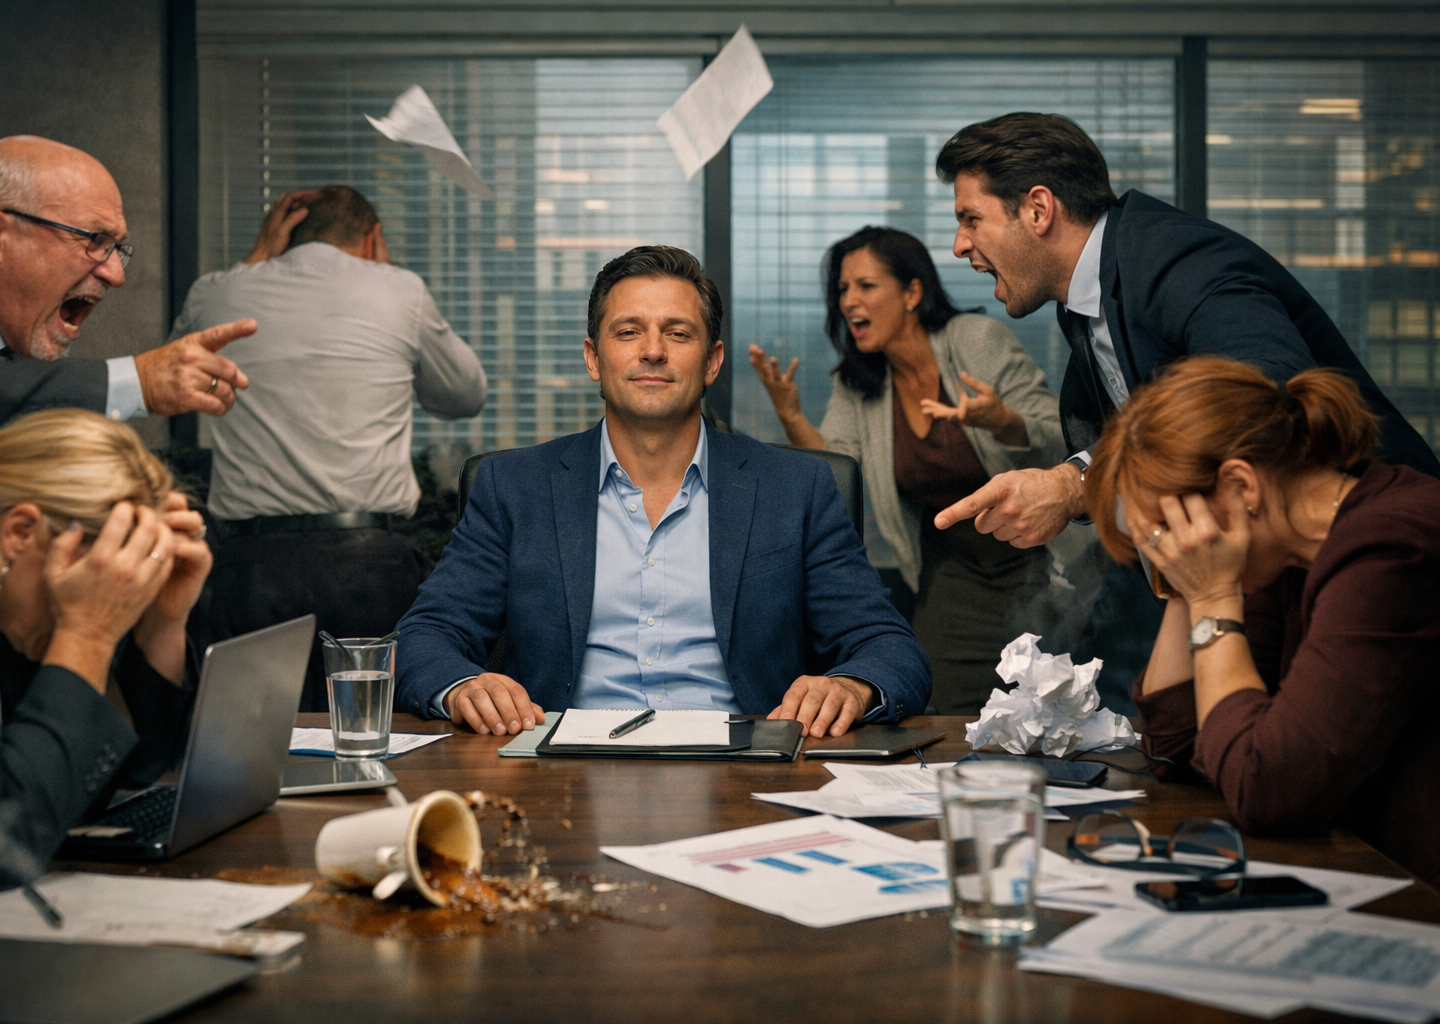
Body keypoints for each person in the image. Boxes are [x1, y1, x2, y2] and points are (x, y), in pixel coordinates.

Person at [395, 245, 930, 736]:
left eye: (677, 333)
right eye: (628, 332)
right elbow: (424, 638)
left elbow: (889, 649)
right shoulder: (514, 487)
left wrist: (852, 686)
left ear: (712, 362)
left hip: (746, 772)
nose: (652, 351)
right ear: (592, 358)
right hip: (558, 771)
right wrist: (464, 684)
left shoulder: (795, 488)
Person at [931, 112, 1439, 551]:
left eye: (971, 218)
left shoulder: (1171, 259)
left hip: (1379, 541)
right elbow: (1138, 435)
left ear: (1039, 210)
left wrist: (1078, 485)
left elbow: (1271, 400)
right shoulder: (1082, 298)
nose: (959, 245)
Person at [1086, 356, 1440, 887]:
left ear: (1241, 487)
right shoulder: (1282, 557)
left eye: (1167, 530)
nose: (1168, 553)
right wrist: (1189, 586)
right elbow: (1175, 746)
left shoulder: (1391, 546)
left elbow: (1269, 788)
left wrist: (1210, 593)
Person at [173, 186, 486, 711]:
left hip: (252, 568)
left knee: (249, 753)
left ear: (283, 236)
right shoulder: (399, 291)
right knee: (384, 741)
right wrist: (385, 277)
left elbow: (176, 375)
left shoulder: (217, 293)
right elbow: (463, 395)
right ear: (371, 240)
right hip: (371, 566)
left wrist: (253, 262)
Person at [748, 226, 1065, 713]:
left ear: (913, 292)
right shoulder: (859, 384)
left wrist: (1000, 421)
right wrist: (790, 414)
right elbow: (838, 469)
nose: (849, 300)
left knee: (1054, 706)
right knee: (948, 708)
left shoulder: (977, 340)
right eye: (842, 290)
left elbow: (1057, 436)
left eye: (866, 286)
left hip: (1041, 557)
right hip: (951, 569)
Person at [0, 409, 211, 885]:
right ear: (21, 532)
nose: (106, 603)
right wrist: (86, 634)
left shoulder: (2, 601)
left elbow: (112, 773)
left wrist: (161, 622)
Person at [0, 136, 256, 487]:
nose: (116, 275)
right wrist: (138, 383)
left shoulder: (7, 350)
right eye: (96, 241)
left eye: (117, 249)